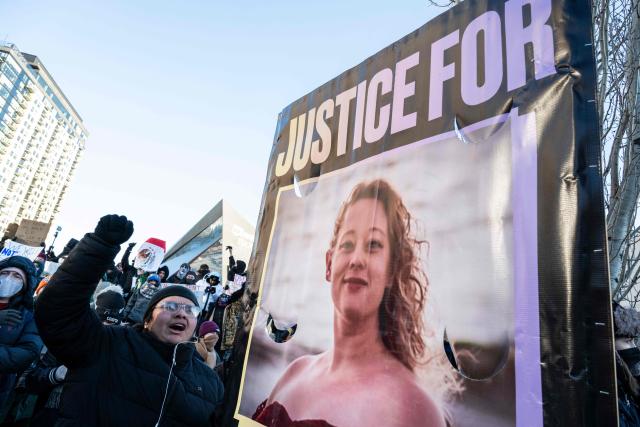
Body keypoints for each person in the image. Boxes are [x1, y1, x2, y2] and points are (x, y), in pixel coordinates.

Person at [253, 180, 446, 427]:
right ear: (329, 264)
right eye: (347, 244)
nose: (357, 259)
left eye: (373, 245)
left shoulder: (415, 409)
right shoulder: (294, 373)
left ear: (392, 270)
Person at [35, 214, 224, 426]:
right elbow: (60, 313)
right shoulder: (107, 345)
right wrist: (100, 247)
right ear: (147, 320)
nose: (181, 314)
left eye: (190, 310)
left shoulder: (210, 383)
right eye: (170, 307)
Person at [23, 286, 126, 427]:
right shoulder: (67, 338)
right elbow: (30, 381)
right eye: (101, 324)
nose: (105, 330)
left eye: (111, 325)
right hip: (52, 417)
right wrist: (56, 374)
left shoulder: (126, 349)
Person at [0, 256, 43, 422]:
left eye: (17, 276)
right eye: (5, 273)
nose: (9, 279)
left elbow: (27, 352)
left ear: (26, 284)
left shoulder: (29, 317)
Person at [613, 302, 640, 425]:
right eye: (628, 341)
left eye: (634, 341)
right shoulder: (609, 395)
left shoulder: (628, 384)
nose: (634, 348)